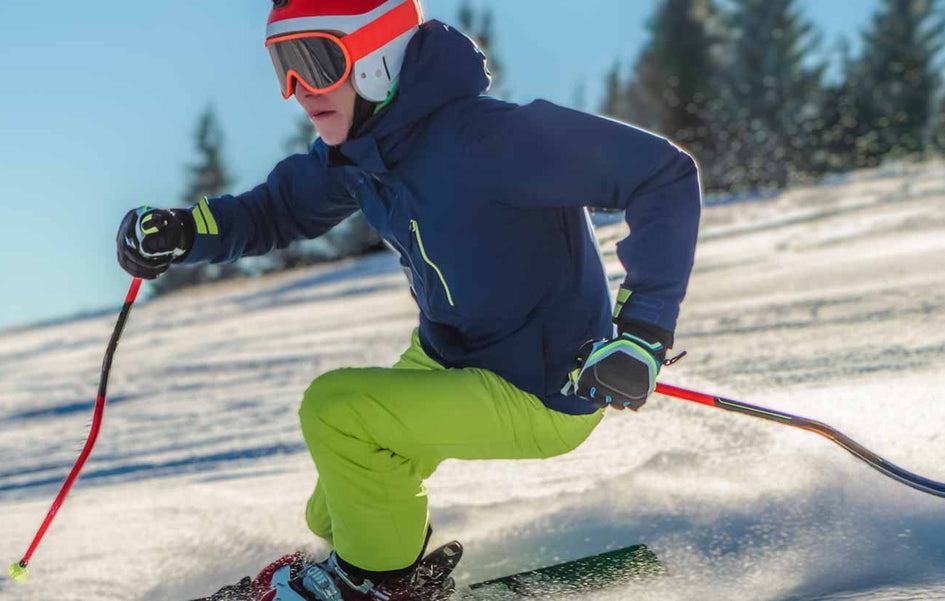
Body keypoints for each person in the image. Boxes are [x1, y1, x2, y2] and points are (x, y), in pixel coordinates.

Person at [115, 1, 701, 599]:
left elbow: (661, 174)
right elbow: (277, 209)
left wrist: (642, 334)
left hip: (542, 386)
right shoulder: (361, 153)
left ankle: (373, 583)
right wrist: (185, 231)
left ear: (379, 57)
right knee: (335, 510)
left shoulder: (489, 138)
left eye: (315, 61)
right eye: (283, 65)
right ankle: (373, 565)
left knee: (337, 413)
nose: (298, 89)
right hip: (451, 359)